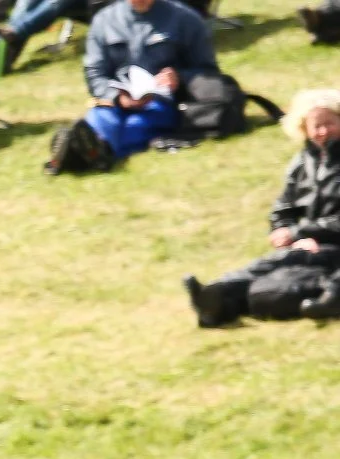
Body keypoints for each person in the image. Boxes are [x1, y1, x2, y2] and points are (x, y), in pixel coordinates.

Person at [183, 89, 340, 326]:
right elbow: (284, 207)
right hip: (311, 246)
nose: (324, 131)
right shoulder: (301, 164)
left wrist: (300, 234)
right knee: (265, 291)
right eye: (317, 126)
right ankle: (217, 303)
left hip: (330, 245)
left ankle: (223, 292)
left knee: (283, 267)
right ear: (303, 129)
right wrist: (282, 229)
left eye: (330, 123)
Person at [76, 0, 216, 162]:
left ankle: (94, 152)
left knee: (136, 125)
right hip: (115, 101)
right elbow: (94, 73)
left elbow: (208, 72)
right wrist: (117, 96)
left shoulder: (185, 19)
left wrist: (179, 77)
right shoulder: (104, 21)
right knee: (100, 118)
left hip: (162, 103)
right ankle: (92, 149)